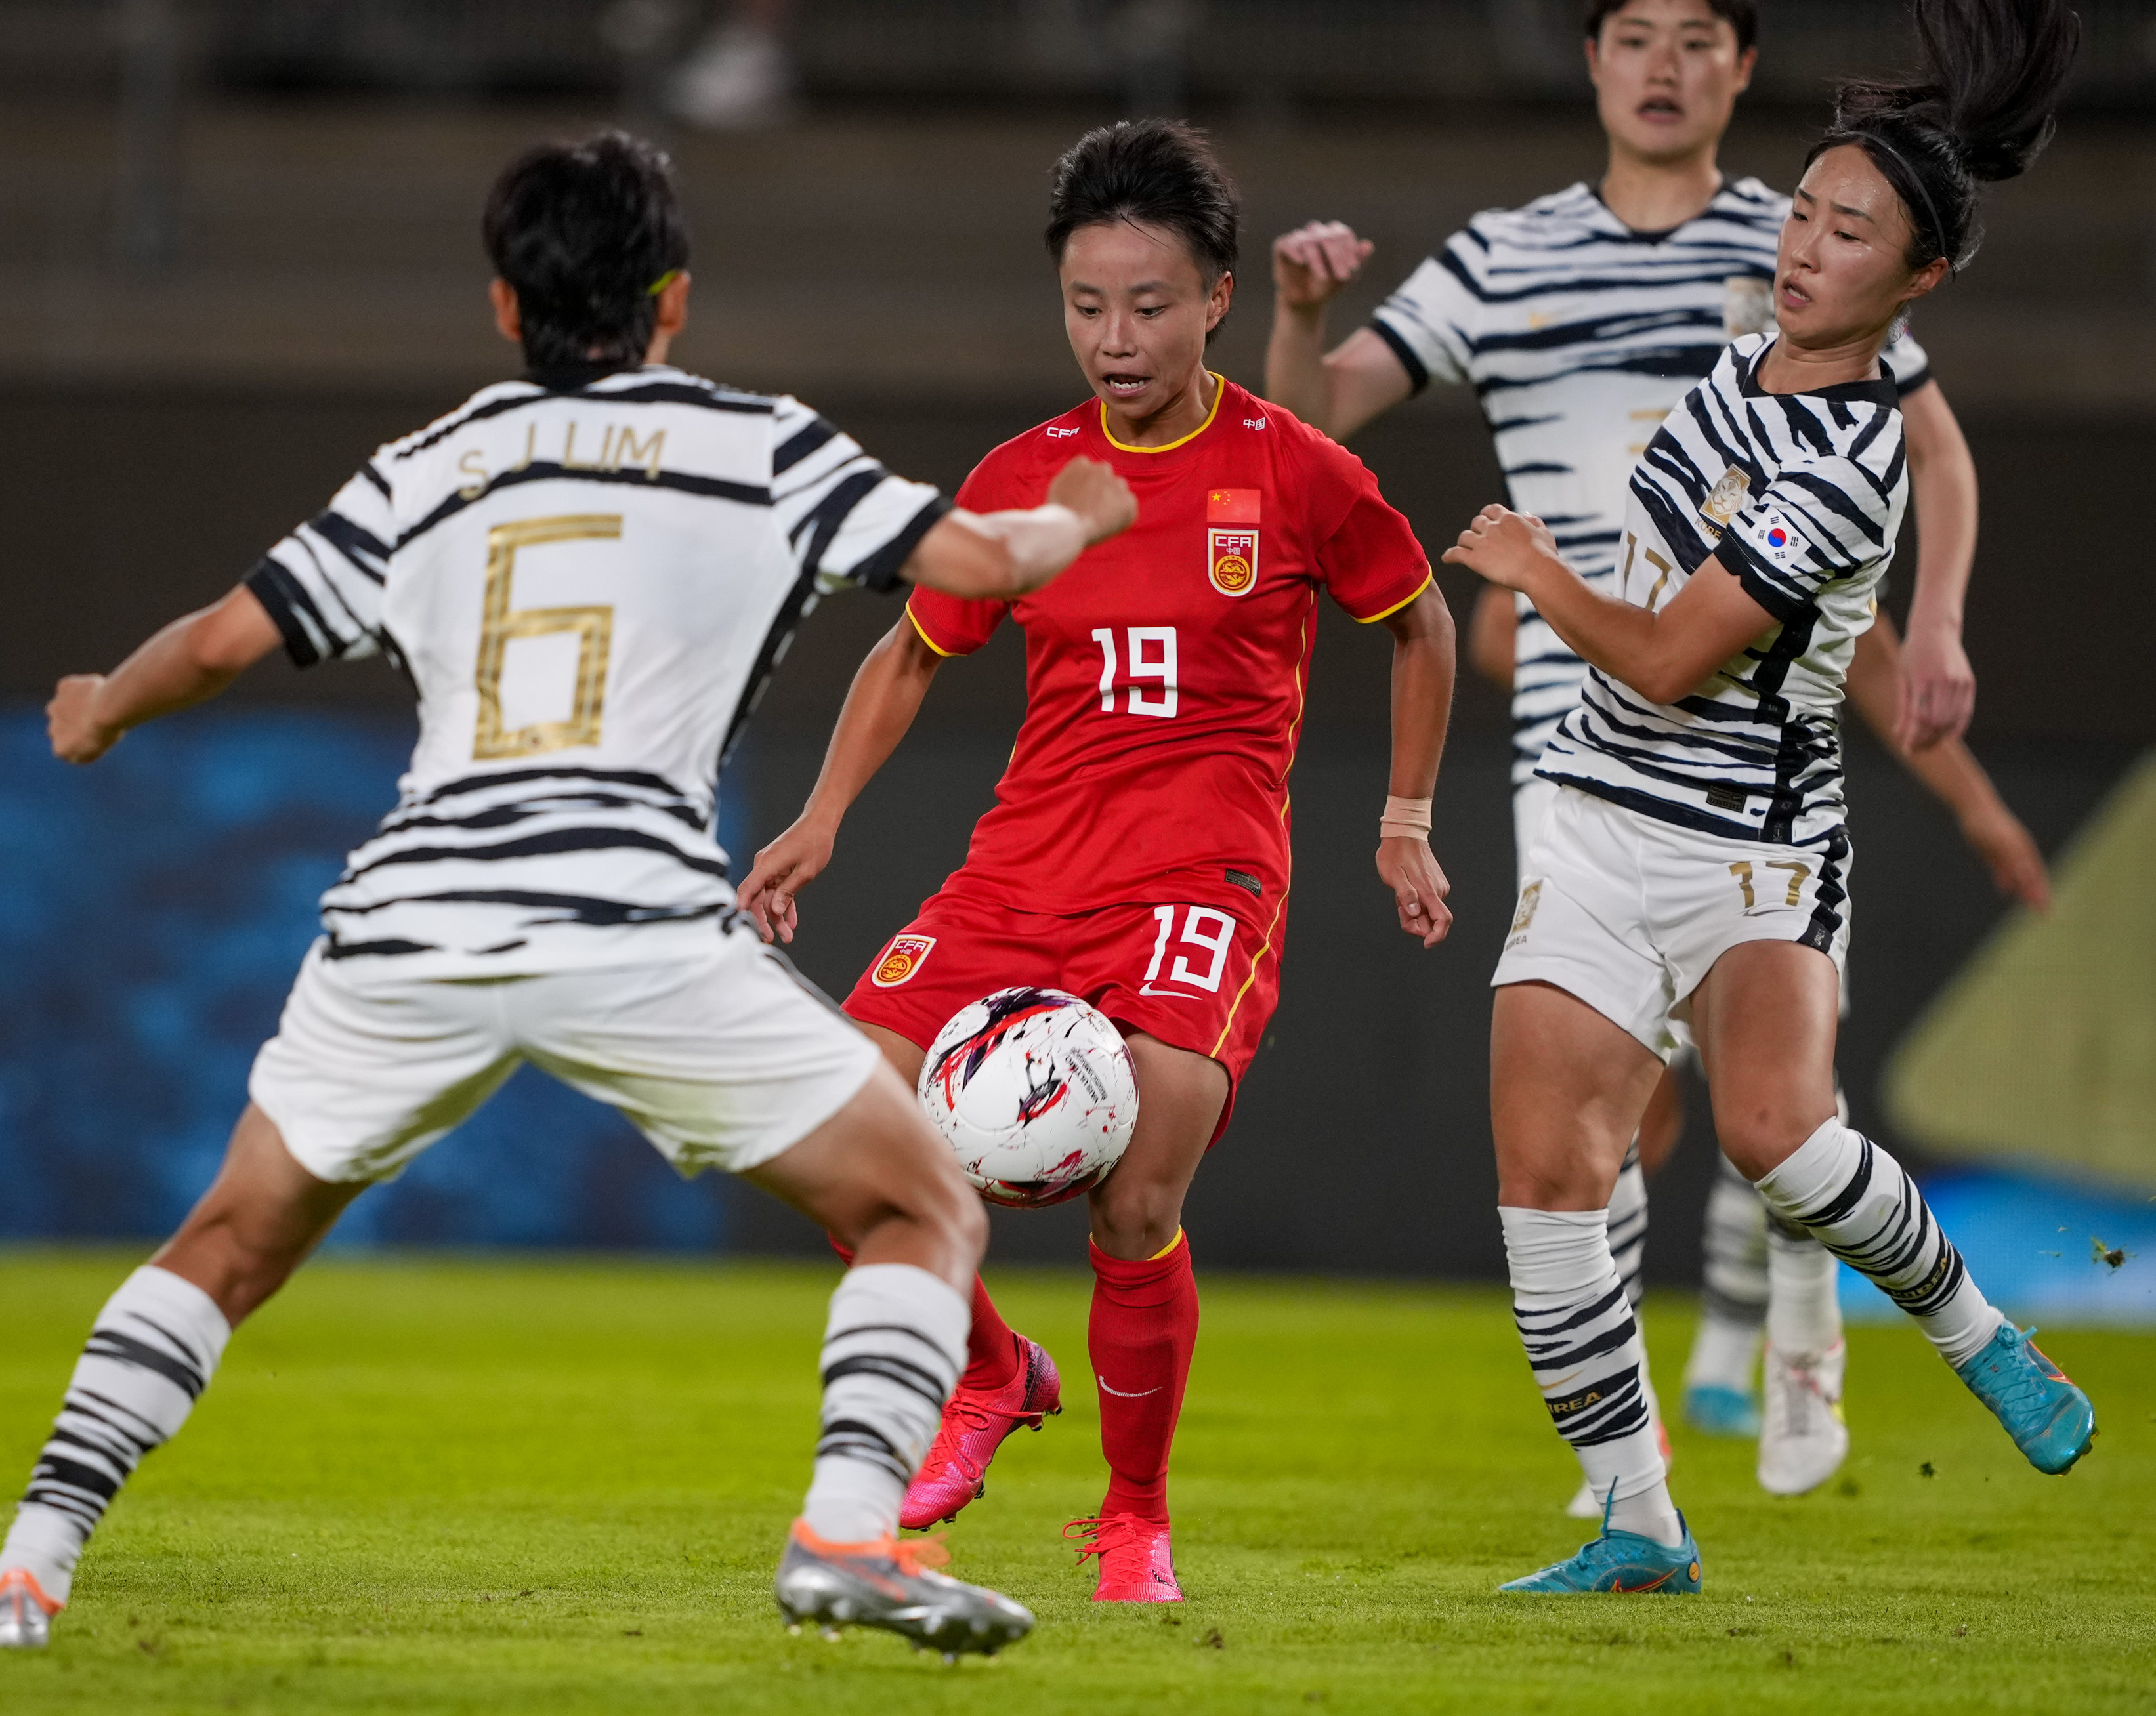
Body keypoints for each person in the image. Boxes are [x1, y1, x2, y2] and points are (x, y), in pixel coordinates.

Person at [0, 130, 1143, 1657]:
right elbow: (976, 558)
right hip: (630, 916)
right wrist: (1078, 522)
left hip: (415, 916)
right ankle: (847, 1534)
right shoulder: (757, 444)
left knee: (228, 1243)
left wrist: (103, 704)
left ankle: (28, 1577)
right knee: (917, 1204)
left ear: (506, 308)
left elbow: (230, 641)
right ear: (674, 298)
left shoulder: (425, 465)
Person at [1258, 0, 2046, 1509]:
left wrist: (1931, 622)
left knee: (1763, 1129)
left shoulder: (1813, 290)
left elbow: (1896, 462)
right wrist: (1295, 317)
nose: (1666, 65)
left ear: (1742, 66)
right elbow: (1319, 421)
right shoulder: (1548, 267)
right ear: (1592, 62)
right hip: (1578, 752)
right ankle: (1633, 1488)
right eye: (1635, 33)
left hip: (1737, 776)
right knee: (1588, 1137)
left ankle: (1845, 1323)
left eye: (1700, 36)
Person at [738, 119, 1456, 1604]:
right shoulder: (1030, 475)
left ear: (1214, 298)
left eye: (1146, 304)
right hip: (1022, 869)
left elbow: (1421, 622)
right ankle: (992, 1374)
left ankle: (1134, 1518)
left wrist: (1403, 817)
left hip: (1204, 881)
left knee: (1136, 1200)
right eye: (1084, 306)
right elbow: (909, 650)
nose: (1112, 339)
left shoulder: (1296, 471)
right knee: (824, 1132)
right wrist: (818, 820)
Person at [1442, 0, 2094, 1593]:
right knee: (1541, 1169)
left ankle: (1969, 1327)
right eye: (1802, 209)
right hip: (1594, 810)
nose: (1803, 246)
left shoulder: (1845, 463)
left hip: (1749, 844)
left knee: (1776, 1141)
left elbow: (1668, 657)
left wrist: (1533, 568)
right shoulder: (1750, 344)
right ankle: (1634, 1519)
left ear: (1917, 281)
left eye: (1848, 230)